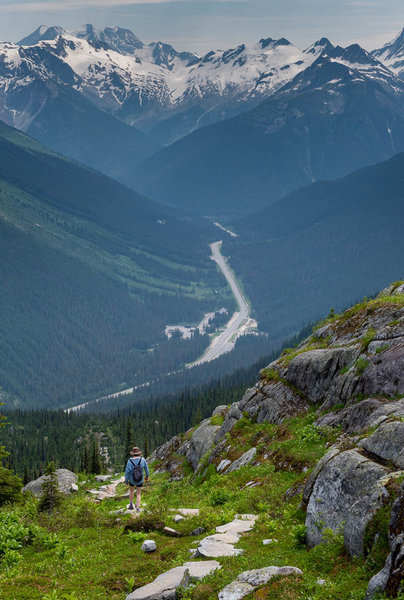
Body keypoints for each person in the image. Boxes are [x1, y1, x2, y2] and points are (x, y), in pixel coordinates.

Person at [125, 446, 149, 512]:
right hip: (140, 479)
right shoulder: (142, 460)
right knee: (138, 494)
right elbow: (146, 469)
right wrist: (147, 477)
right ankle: (138, 508)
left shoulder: (129, 461)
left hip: (132, 480)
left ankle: (130, 504)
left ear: (132, 453)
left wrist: (126, 481)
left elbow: (127, 472)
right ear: (139, 453)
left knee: (131, 491)